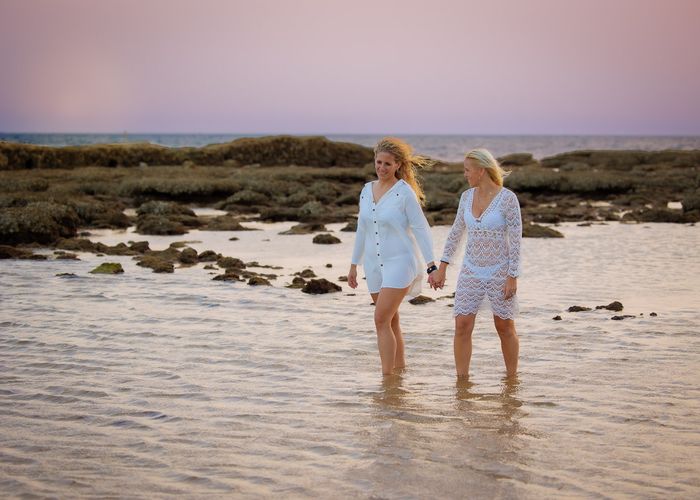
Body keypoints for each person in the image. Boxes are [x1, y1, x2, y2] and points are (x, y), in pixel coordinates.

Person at [348, 137, 437, 376]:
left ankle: (386, 380)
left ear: (398, 165)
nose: (381, 168)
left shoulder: (404, 193)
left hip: (400, 263)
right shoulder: (366, 190)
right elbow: (362, 228)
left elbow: (420, 228)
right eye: (378, 162)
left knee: (380, 320)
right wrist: (353, 265)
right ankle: (399, 374)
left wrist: (432, 265)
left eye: (387, 164)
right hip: (373, 265)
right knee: (391, 321)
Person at [429, 148, 522, 378]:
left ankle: (512, 380)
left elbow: (516, 238)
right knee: (461, 325)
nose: (465, 174)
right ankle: (462, 383)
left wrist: (513, 275)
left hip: (500, 270)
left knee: (504, 327)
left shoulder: (508, 198)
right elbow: (455, 233)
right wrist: (442, 268)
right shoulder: (466, 197)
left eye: (467, 170)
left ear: (481, 171)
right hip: (471, 269)